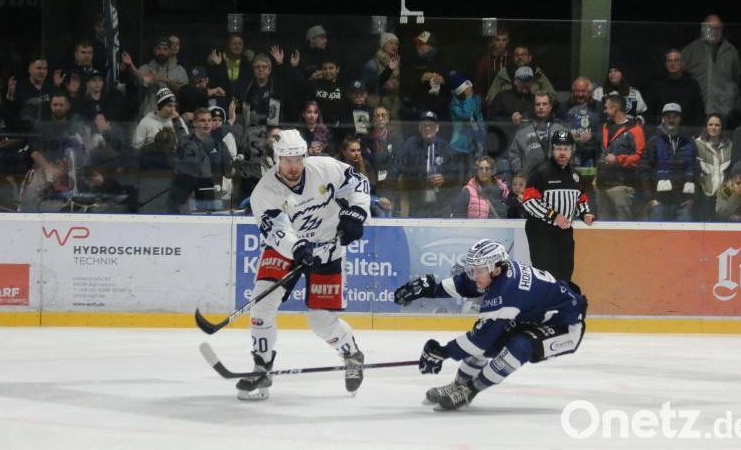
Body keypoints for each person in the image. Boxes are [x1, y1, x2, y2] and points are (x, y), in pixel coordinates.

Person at [239, 128, 370, 400]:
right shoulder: (264, 192)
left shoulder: (324, 168)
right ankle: (261, 366)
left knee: (321, 322)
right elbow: (277, 231)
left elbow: (358, 182)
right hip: (285, 250)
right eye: (287, 160)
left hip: (328, 250)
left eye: (298, 159)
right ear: (277, 159)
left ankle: (351, 354)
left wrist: (357, 211)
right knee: (261, 305)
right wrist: (297, 247)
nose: (293, 166)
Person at [392, 239, 588, 411]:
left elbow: (479, 341)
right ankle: (458, 385)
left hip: (566, 327)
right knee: (491, 341)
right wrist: (430, 290)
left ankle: (470, 391)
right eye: (472, 270)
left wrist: (443, 352)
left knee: (519, 346)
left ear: (495, 269)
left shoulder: (507, 290)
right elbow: (464, 285)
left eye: (478, 271)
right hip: (533, 318)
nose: (474, 275)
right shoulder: (497, 273)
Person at [523, 130, 594, 281]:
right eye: (559, 149)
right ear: (553, 149)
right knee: (546, 277)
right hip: (542, 233)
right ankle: (544, 305)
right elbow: (529, 202)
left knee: (565, 275)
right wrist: (554, 216)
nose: (562, 153)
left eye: (566, 149)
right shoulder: (540, 173)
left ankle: (559, 305)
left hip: (565, 233)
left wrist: (585, 213)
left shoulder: (576, 176)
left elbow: (581, 199)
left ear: (572, 150)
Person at [681, 14, 741, 128]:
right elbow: (679, 73)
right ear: (703, 28)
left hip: (724, 111)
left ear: (722, 29)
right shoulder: (692, 49)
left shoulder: (731, 51)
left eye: (718, 28)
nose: (714, 31)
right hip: (698, 110)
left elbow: (736, 78)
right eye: (710, 27)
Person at [639, 103, 697, 222]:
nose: (671, 120)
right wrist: (650, 199)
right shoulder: (653, 142)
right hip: (659, 203)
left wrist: (693, 199)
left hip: (683, 203)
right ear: (663, 119)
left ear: (679, 119)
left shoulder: (689, 142)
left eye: (675, 116)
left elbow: (697, 170)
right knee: (657, 238)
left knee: (684, 239)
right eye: (668, 116)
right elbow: (644, 171)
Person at [596, 94, 645, 221]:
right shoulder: (605, 127)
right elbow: (602, 152)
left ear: (615, 107)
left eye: (607, 107)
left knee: (623, 226)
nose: (604, 111)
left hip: (622, 186)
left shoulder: (635, 129)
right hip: (602, 185)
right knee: (603, 228)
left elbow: (640, 158)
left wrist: (618, 160)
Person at [506, 91, 568, 177]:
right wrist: (520, 172)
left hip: (557, 178)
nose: (541, 107)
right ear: (534, 107)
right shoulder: (523, 130)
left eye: (544, 104)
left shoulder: (561, 128)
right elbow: (514, 155)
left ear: (550, 107)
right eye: (538, 104)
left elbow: (571, 151)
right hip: (530, 180)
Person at [646, 49, 705, 128]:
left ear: (682, 64)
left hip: (687, 130)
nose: (673, 64)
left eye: (676, 60)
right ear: (666, 64)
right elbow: (650, 112)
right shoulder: (657, 85)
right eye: (670, 61)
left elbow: (699, 113)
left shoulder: (692, 85)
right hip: (661, 130)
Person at [695, 114, 732, 221]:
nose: (713, 128)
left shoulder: (729, 146)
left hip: (724, 198)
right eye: (710, 125)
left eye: (717, 125)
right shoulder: (697, 145)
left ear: (722, 127)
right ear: (706, 127)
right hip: (704, 198)